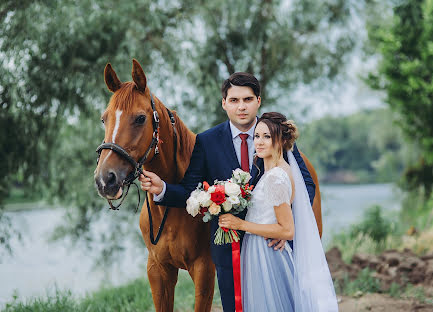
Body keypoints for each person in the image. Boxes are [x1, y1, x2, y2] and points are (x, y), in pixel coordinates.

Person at [139, 73, 316, 312]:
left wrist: (285, 229)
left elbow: (306, 184)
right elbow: (191, 190)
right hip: (227, 251)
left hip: (273, 247)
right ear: (224, 103)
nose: (241, 106)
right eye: (234, 100)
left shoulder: (275, 137)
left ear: (258, 101)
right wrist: (163, 189)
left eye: (247, 99)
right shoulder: (207, 141)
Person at [219, 112, 338, 311]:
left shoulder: (276, 177)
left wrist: (240, 224)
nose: (259, 141)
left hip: (266, 253)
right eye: (257, 136)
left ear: (282, 140)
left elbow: (287, 231)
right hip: (261, 248)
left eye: (267, 136)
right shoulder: (274, 172)